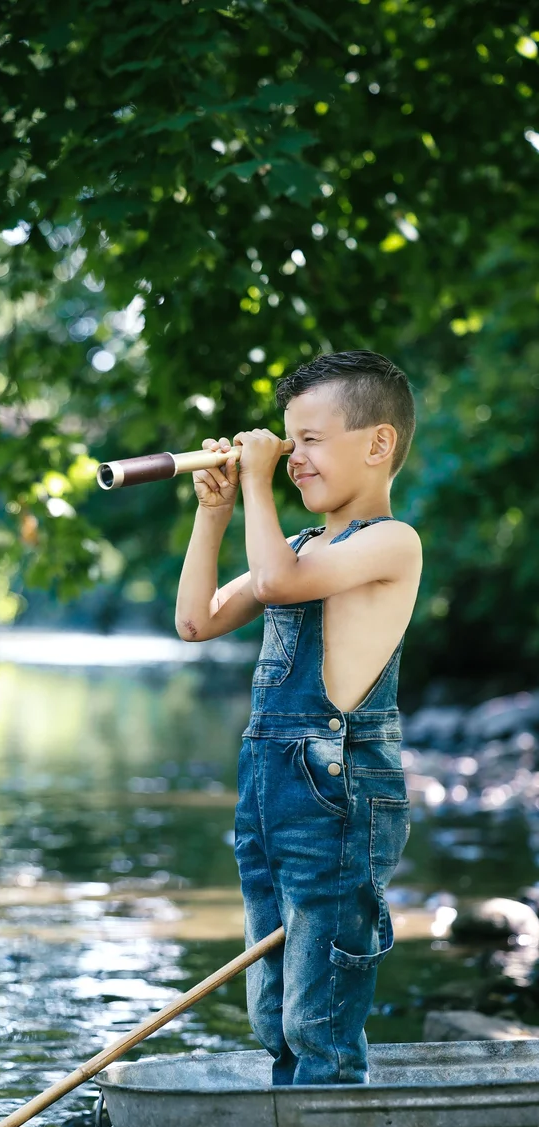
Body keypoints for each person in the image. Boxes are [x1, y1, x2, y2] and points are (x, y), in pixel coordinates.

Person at [175, 350, 422, 1085]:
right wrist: (213, 510)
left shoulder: (389, 543)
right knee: (273, 1006)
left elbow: (280, 585)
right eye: (288, 442)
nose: (291, 459)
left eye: (309, 440)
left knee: (319, 1012)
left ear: (378, 444)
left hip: (337, 793)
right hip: (270, 790)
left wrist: (252, 482)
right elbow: (196, 620)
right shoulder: (301, 547)